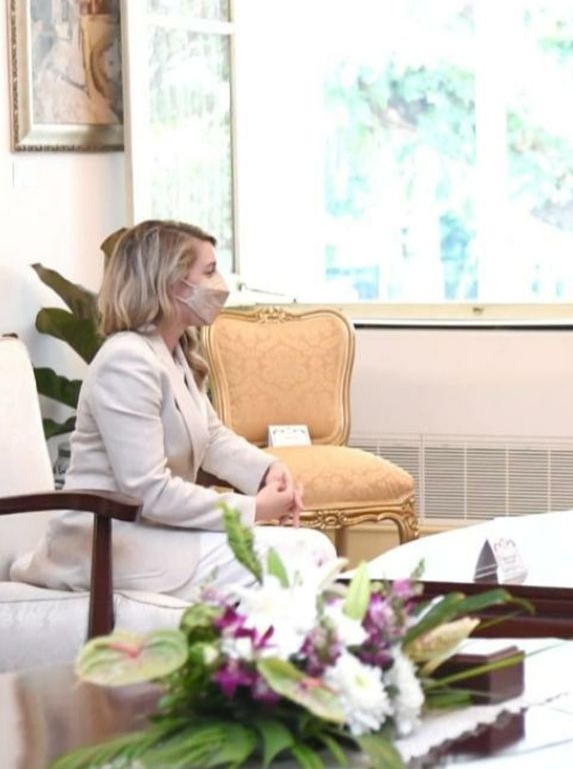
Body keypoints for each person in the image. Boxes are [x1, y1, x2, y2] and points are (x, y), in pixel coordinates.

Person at [13, 220, 335, 599]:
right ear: (173, 283)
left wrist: (266, 471)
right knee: (306, 557)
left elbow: (211, 436)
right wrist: (252, 509)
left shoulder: (173, 350)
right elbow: (147, 489)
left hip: (154, 534)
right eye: (210, 271)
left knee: (310, 551)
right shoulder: (126, 361)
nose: (221, 284)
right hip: (112, 543)